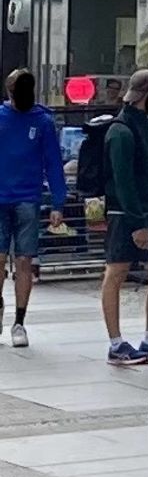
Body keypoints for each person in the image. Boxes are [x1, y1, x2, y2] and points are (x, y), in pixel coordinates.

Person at [102, 69, 148, 367]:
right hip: (127, 213)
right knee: (116, 273)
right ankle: (116, 344)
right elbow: (123, 182)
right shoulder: (121, 131)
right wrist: (138, 222)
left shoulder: (142, 124)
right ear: (146, 95)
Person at [0, 70, 68, 348]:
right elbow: (54, 163)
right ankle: (11, 316)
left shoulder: (42, 122)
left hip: (27, 196)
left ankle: (19, 320)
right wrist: (57, 202)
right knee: (6, 260)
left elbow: (53, 162)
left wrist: (58, 201)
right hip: (7, 196)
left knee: (23, 260)